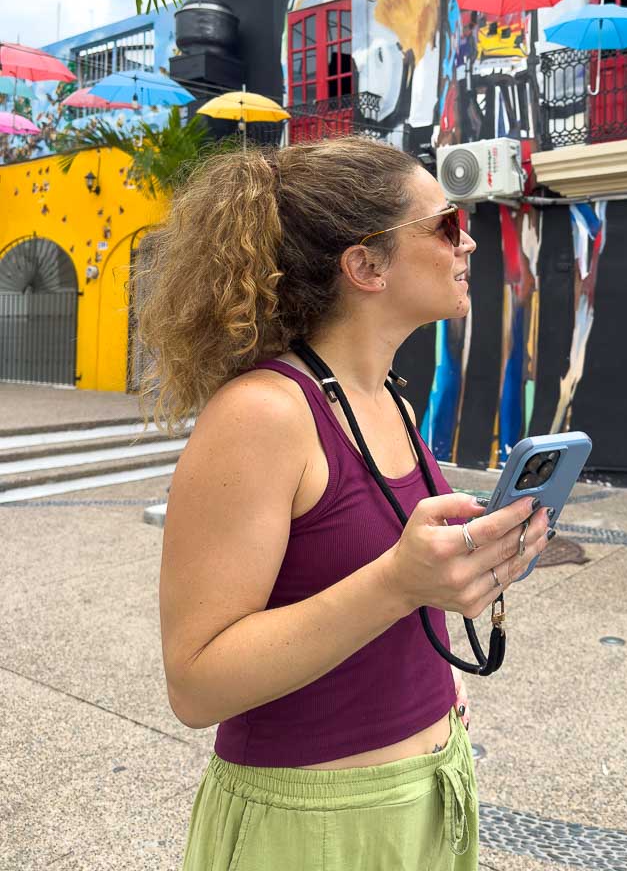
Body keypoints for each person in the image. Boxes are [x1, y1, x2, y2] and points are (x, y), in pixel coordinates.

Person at [138, 136, 555, 871]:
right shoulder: (262, 413)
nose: (469, 244)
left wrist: (465, 586)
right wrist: (399, 582)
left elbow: (385, 592)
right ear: (365, 265)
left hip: (430, 792)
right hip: (312, 831)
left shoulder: (385, 396)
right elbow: (195, 683)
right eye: (447, 225)